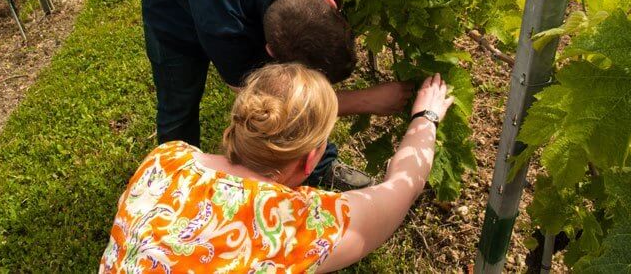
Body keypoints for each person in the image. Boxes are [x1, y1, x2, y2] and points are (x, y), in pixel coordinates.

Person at [139, 0, 412, 189]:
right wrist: (367, 100)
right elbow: (262, 98)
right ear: (269, 50)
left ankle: (321, 166)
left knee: (297, 92)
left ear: (330, 3)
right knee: (179, 99)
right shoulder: (221, 14)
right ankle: (171, 183)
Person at [100, 63, 453, 273]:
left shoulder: (166, 157)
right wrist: (427, 115)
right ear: (313, 158)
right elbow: (402, 188)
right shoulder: (293, 224)